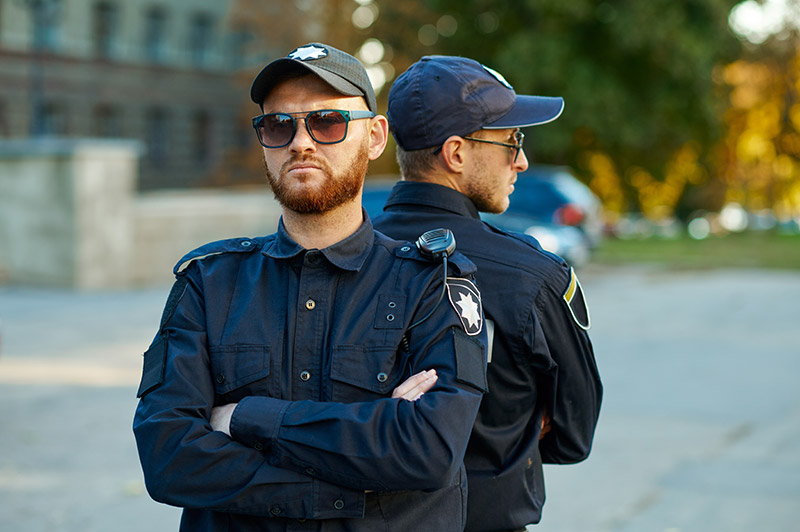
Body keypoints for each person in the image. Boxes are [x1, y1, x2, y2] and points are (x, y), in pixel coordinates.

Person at [133, 43, 488, 532]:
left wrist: (244, 419)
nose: (301, 142)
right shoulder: (208, 283)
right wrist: (356, 475)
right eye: (279, 126)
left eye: (327, 122)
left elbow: (428, 451)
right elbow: (169, 457)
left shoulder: (431, 284)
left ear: (375, 137)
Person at [372, 55, 603, 531]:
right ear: (456, 154)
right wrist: (513, 426)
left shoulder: (342, 261)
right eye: (510, 142)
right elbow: (573, 434)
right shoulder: (532, 276)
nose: (521, 159)